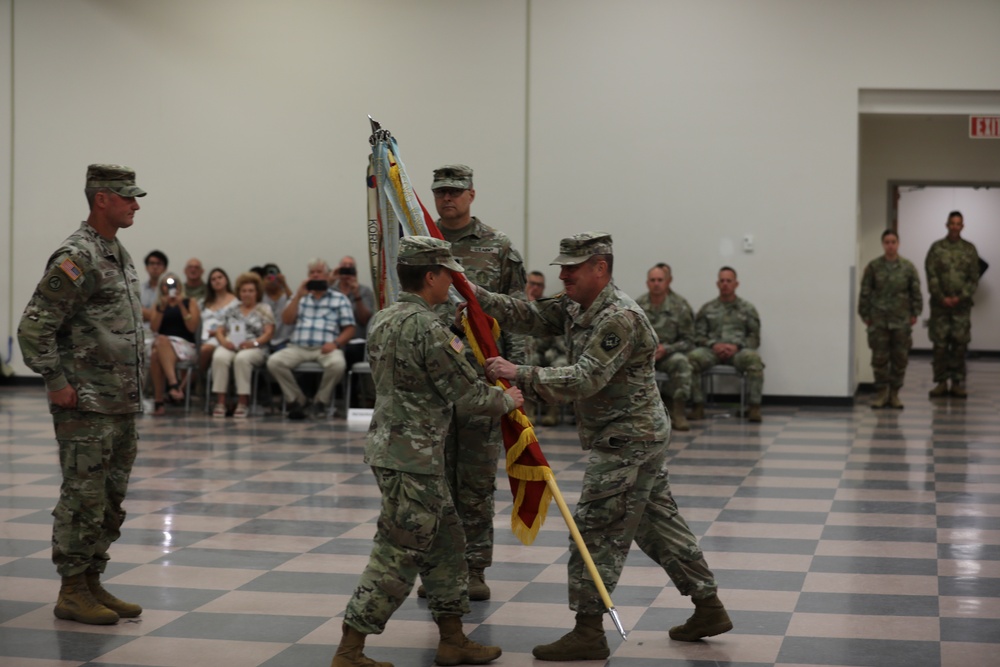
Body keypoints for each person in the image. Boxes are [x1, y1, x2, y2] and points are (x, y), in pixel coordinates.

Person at [476, 232, 731, 660]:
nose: (563, 274)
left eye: (573, 267)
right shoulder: (575, 304)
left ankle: (589, 630)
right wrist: (473, 292)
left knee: (594, 530)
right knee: (657, 524)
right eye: (562, 266)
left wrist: (517, 371)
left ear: (601, 267)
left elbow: (583, 379)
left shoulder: (619, 317)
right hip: (633, 433)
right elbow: (527, 314)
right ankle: (709, 606)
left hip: (628, 438)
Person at [330, 237, 522, 667]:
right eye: (447, 273)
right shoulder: (426, 328)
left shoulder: (384, 318)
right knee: (398, 553)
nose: (452, 280)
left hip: (397, 452)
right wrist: (508, 400)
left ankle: (452, 639)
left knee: (449, 544)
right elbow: (465, 393)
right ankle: (350, 648)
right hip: (412, 459)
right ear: (430, 276)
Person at [17, 163, 147, 625]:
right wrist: (56, 382)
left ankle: (92, 579)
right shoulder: (78, 256)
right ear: (101, 199)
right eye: (128, 197)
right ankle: (71, 589)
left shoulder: (117, 252)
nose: (135, 205)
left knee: (111, 498)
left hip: (121, 401)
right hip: (87, 402)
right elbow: (34, 328)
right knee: (84, 496)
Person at [419, 164, 527, 601]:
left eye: (456, 192)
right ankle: (441, 569)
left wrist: (518, 374)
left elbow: (518, 315)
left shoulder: (498, 247)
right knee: (437, 479)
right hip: (436, 382)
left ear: (472, 195)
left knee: (477, 481)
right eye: (441, 192)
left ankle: (475, 568)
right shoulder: (422, 244)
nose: (448, 199)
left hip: (484, 381)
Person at [266, 258, 356, 419]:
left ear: (328, 276)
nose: (315, 275)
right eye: (312, 272)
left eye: (319, 272)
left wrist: (336, 344)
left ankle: (320, 401)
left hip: (325, 348)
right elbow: (286, 320)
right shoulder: (300, 297)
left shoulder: (339, 298)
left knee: (338, 364)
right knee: (274, 362)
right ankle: (298, 400)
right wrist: (298, 296)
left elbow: (350, 329)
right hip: (297, 347)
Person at [687, 267, 765, 422]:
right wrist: (714, 344)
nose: (725, 284)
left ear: (736, 284)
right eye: (722, 281)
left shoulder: (747, 309)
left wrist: (737, 346)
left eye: (729, 281)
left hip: (738, 352)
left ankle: (754, 408)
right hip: (712, 351)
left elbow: (754, 338)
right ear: (717, 283)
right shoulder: (707, 308)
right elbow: (698, 336)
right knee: (691, 359)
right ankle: (697, 406)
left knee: (754, 360)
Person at [859, 230, 923, 409]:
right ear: (882, 244)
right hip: (879, 321)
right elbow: (865, 292)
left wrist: (915, 313)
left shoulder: (907, 267)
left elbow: (915, 291)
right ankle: (881, 393)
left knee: (900, 358)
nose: (890, 245)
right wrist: (865, 315)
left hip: (901, 321)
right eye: (887, 242)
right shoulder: (873, 267)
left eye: (893, 242)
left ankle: (894, 394)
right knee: (879, 359)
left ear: (898, 244)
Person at [925, 210, 981, 398]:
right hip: (940, 306)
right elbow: (931, 275)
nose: (955, 227)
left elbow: (974, 278)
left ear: (962, 226)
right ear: (947, 225)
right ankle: (941, 382)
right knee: (940, 346)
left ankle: (956, 383)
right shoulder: (936, 248)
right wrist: (941, 297)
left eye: (958, 223)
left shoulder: (970, 250)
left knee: (959, 345)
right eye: (952, 223)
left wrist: (961, 297)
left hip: (961, 307)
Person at [636, 263, 695, 431]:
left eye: (660, 280)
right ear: (647, 283)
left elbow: (689, 340)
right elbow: (630, 336)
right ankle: (637, 415)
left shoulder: (680, 306)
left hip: (669, 355)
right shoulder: (637, 306)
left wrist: (666, 349)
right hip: (644, 355)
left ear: (668, 282)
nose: (656, 283)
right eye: (652, 280)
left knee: (682, 362)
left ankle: (678, 413)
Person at [211, 272, 275, 418]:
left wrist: (254, 343)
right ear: (239, 293)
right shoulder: (232, 309)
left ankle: (243, 402)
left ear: (257, 292)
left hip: (255, 347)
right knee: (219, 356)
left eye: (251, 291)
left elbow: (269, 332)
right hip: (232, 344)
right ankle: (220, 402)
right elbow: (219, 330)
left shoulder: (264, 309)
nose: (247, 294)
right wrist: (224, 342)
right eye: (244, 291)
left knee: (242, 359)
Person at [148, 271, 201, 415]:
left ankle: (162, 398)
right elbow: (154, 328)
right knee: (158, 348)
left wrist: (180, 305)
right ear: (162, 287)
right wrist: (162, 308)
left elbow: (192, 327)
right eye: (166, 284)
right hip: (163, 346)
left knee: (157, 348)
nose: (170, 286)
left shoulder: (190, 302)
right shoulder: (158, 305)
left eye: (174, 283)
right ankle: (174, 387)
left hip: (185, 346)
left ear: (179, 286)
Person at [523, 270, 568, 426]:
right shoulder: (516, 305)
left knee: (559, 365)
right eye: (532, 284)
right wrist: (527, 306)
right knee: (527, 362)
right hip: (528, 353)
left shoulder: (548, 306)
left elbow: (555, 339)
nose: (535, 288)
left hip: (548, 351)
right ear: (525, 285)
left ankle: (552, 413)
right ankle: (529, 414)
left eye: (539, 285)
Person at [197, 268, 238, 385]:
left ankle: (195, 381)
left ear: (226, 280)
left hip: (224, 338)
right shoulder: (204, 302)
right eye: (213, 279)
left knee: (205, 350)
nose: (217, 281)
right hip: (203, 337)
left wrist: (218, 333)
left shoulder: (236, 301)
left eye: (220, 277)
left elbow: (236, 323)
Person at [260, 263, 295, 351]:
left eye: (274, 274)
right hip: (263, 339)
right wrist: (263, 285)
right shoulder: (261, 295)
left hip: (284, 340)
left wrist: (284, 283)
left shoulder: (285, 294)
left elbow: (293, 301)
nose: (271, 278)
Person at [140, 249, 167, 324]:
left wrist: (145, 313)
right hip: (141, 331)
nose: (155, 267)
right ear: (146, 267)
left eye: (159, 264)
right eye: (151, 263)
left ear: (165, 268)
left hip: (162, 333)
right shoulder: (139, 289)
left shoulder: (169, 291)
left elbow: (168, 317)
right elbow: (135, 312)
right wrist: (157, 315)